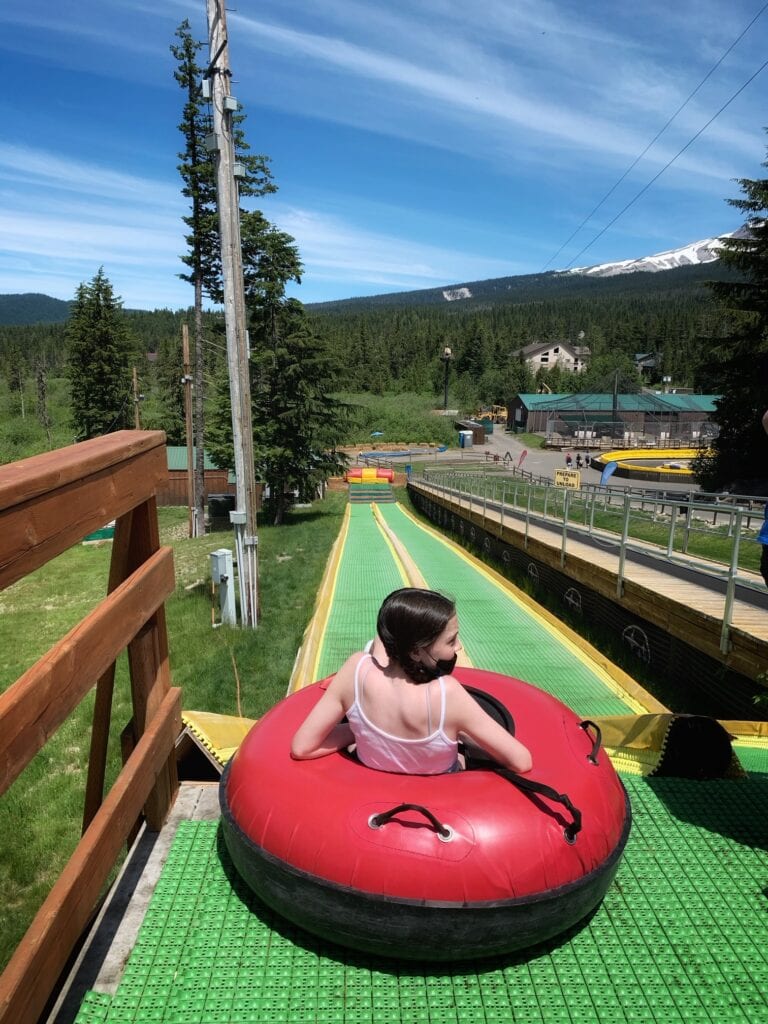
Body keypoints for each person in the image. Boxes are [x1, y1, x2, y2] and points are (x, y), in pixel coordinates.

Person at [291, 588, 533, 775]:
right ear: (416, 652)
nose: (458, 646)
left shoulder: (355, 670)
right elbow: (521, 761)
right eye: (451, 641)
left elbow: (302, 747)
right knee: (461, 749)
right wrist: (463, 735)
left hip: (372, 785)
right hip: (441, 795)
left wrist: (361, 731)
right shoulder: (447, 695)